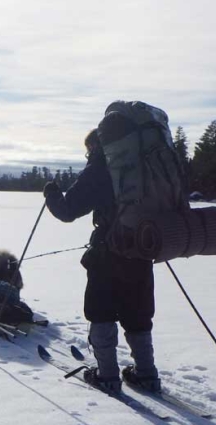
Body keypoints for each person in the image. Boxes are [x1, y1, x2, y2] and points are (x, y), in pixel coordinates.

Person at [42, 125, 161, 394]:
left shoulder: (102, 166)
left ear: (97, 146)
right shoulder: (147, 165)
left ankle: (107, 375)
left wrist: (51, 193)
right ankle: (147, 374)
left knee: (101, 310)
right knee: (138, 312)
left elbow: (67, 210)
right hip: (142, 249)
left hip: (109, 252)